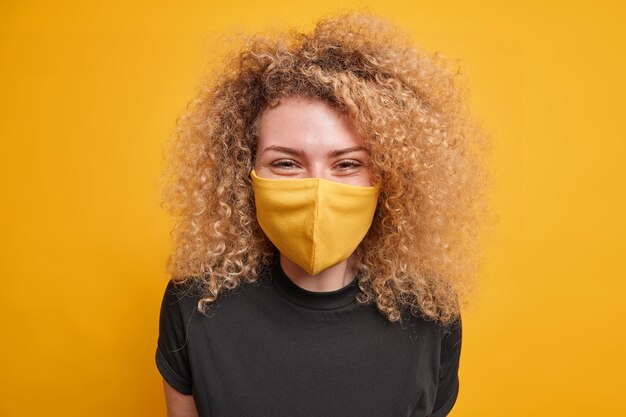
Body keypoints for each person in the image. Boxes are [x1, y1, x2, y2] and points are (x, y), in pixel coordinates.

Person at [155, 10, 490, 417]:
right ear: (245, 172)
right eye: (285, 163)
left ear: (387, 176)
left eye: (347, 164)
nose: (317, 187)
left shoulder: (430, 311)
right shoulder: (194, 303)